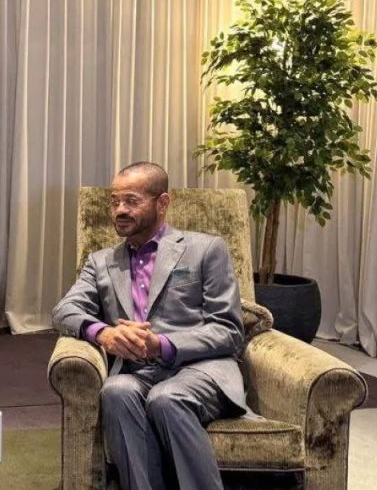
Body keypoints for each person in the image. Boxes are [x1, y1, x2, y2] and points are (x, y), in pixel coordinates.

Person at [52, 162, 246, 489]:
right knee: (116, 390)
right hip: (137, 372)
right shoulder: (101, 262)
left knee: (166, 397)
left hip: (199, 369)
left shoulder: (206, 249)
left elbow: (229, 329)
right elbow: (64, 310)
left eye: (131, 201)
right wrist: (104, 333)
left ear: (162, 202)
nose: (120, 210)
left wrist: (162, 345)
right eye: (114, 201)